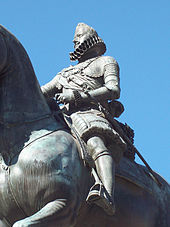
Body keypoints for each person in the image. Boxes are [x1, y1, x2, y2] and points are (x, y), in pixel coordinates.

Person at [41, 23, 126, 215]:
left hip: (92, 113)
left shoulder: (106, 61)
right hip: (64, 117)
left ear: (90, 39)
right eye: (74, 39)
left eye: (78, 36)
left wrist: (78, 96)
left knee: (95, 142)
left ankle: (107, 195)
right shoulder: (64, 74)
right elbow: (40, 93)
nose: (75, 41)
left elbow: (113, 90)